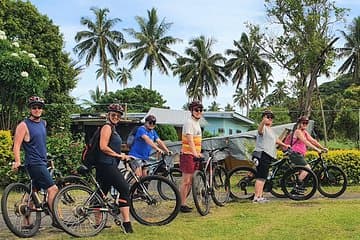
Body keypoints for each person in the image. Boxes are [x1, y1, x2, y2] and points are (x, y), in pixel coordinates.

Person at [12, 96, 59, 227]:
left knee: (33, 192)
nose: (37, 110)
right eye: (34, 107)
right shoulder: (23, 125)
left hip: (41, 161)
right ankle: (57, 220)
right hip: (34, 163)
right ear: (30, 109)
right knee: (53, 189)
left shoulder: (43, 123)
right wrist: (17, 161)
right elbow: (16, 145)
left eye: (39, 107)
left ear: (42, 109)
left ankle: (26, 222)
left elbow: (39, 143)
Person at [95, 103, 133, 233]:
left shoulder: (113, 128)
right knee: (125, 188)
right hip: (107, 165)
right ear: (108, 115)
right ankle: (127, 223)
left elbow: (113, 146)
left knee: (102, 192)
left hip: (106, 164)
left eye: (118, 115)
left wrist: (122, 154)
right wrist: (118, 155)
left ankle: (98, 223)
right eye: (113, 114)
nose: (116, 117)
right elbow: (103, 147)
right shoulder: (107, 127)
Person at [253, 110, 290, 203]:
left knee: (263, 177)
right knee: (260, 177)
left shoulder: (271, 130)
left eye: (271, 117)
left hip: (268, 155)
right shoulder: (263, 128)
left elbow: (276, 140)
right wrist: (263, 122)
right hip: (262, 153)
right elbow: (260, 131)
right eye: (267, 117)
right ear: (263, 117)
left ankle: (260, 196)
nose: (269, 119)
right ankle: (256, 197)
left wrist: (285, 145)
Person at [287, 116, 327, 192]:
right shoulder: (298, 131)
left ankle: (296, 188)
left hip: (300, 154)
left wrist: (322, 148)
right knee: (307, 168)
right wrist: (316, 149)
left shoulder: (304, 132)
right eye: (303, 123)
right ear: (299, 123)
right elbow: (305, 141)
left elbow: (313, 140)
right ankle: (297, 187)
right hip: (295, 154)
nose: (305, 124)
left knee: (302, 171)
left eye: (306, 123)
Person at [179, 100, 204, 213]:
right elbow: (189, 140)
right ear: (191, 111)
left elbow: (196, 140)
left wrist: (198, 153)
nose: (198, 112)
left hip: (194, 155)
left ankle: (183, 202)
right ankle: (181, 204)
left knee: (190, 181)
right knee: (186, 181)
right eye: (196, 110)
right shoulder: (189, 122)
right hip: (188, 155)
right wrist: (194, 153)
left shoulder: (196, 123)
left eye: (200, 110)